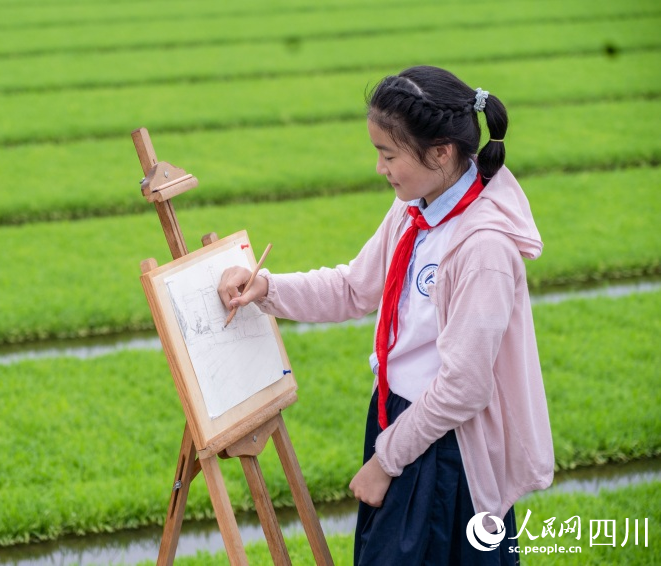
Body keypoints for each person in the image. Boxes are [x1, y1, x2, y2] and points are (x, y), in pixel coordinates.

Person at [217, 65, 554, 564]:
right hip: (399, 419)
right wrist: (264, 287)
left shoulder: (483, 249)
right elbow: (355, 287)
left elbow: (464, 388)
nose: (380, 168)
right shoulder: (414, 207)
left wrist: (386, 460)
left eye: (389, 154)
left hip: (444, 448)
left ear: (441, 152)